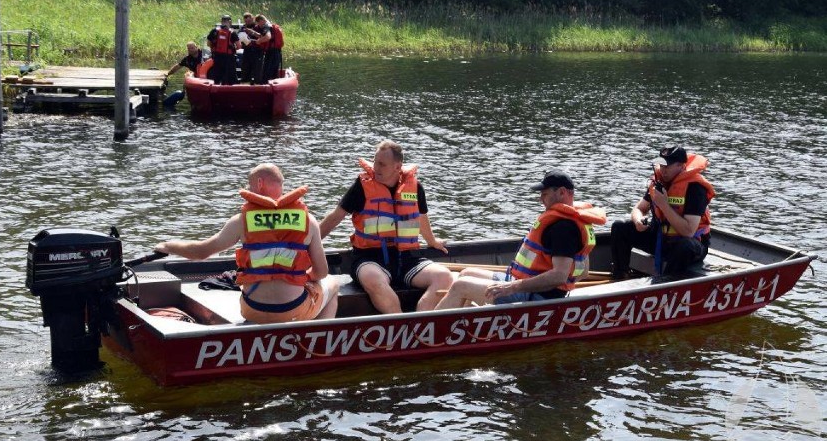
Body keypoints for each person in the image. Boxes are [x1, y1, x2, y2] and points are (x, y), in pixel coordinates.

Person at [155, 164, 339, 324]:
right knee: (333, 283)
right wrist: (299, 277)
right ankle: (320, 340)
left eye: (249, 184)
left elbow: (201, 251)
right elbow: (321, 272)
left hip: (253, 310)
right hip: (291, 310)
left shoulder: (241, 221)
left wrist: (169, 246)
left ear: (258, 183)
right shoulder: (308, 220)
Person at [435, 170, 606, 310]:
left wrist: (515, 287)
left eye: (545, 194)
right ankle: (463, 325)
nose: (541, 199)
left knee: (461, 286)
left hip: (537, 296)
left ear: (561, 192)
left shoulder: (563, 227)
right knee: (466, 273)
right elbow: (582, 272)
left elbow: (559, 276)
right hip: (524, 285)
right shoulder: (576, 221)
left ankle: (426, 335)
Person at [319, 140, 453, 313]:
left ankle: (419, 324)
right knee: (372, 278)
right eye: (375, 162)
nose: (376, 168)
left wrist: (432, 241)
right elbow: (335, 217)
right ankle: (400, 325)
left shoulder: (414, 187)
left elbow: (421, 217)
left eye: (382, 164)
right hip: (370, 258)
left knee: (444, 277)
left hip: (406, 258)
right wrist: (308, 244)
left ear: (397, 167)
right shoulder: (361, 187)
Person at [610, 145, 715, 278]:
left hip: (691, 243)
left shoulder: (695, 188)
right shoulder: (658, 181)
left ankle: (666, 285)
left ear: (681, 166)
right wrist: (638, 221)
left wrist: (664, 205)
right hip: (661, 239)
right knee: (620, 227)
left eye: (668, 166)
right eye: (661, 165)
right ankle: (620, 275)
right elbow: (639, 209)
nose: (663, 170)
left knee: (685, 246)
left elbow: (688, 231)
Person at [206, 14, 239, 85]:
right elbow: (239, 45)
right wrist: (232, 49)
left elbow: (208, 44)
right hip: (229, 57)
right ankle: (230, 89)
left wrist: (215, 48)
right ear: (230, 22)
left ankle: (216, 87)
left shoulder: (214, 31)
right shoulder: (232, 32)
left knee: (217, 74)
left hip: (217, 56)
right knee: (230, 75)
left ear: (221, 22)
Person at [238, 12, 269, 85]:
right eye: (246, 21)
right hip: (247, 52)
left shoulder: (259, 27)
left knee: (257, 72)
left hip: (258, 52)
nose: (247, 23)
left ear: (253, 19)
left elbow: (263, 37)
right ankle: (245, 86)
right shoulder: (243, 28)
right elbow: (238, 39)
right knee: (245, 71)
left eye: (249, 21)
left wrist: (252, 33)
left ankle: (257, 87)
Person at [256, 14, 282, 84]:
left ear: (261, 21)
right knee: (274, 72)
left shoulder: (266, 27)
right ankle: (274, 87)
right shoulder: (272, 26)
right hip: (277, 52)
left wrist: (259, 41)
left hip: (271, 53)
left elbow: (268, 37)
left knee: (266, 73)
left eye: (258, 23)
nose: (259, 25)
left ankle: (264, 87)